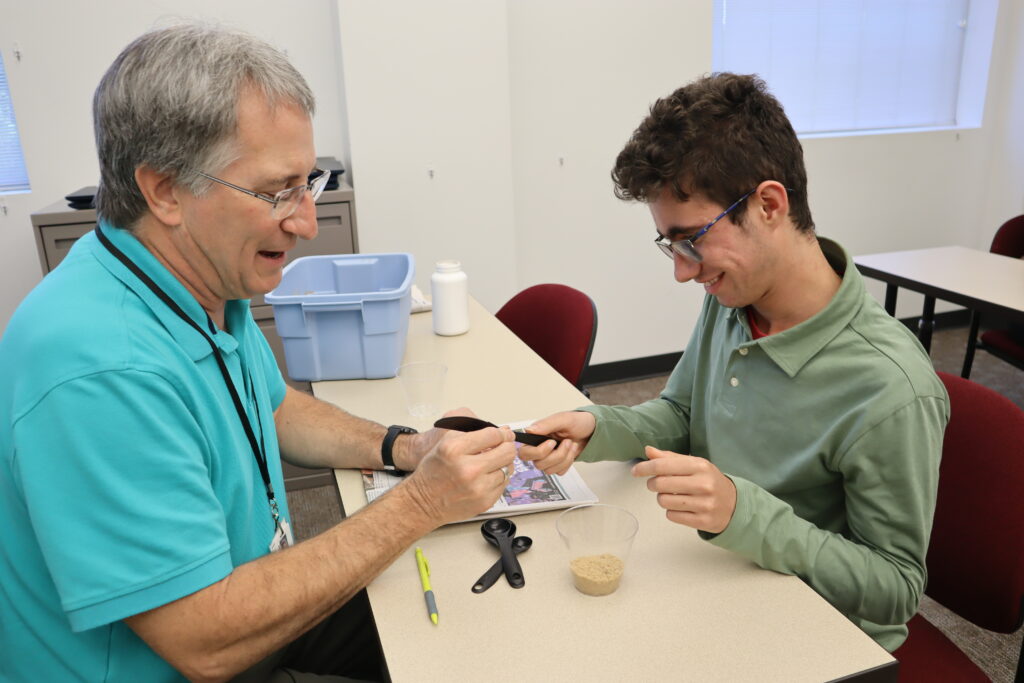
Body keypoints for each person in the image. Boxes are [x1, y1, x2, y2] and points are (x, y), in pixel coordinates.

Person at [0, 24, 546, 682]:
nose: (307, 222)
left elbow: (277, 407)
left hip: (246, 611)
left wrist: (405, 447)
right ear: (165, 190)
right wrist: (421, 503)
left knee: (474, 636)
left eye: (308, 183)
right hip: (203, 654)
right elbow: (203, 641)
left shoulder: (195, 282)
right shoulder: (97, 364)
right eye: (276, 190)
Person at [520, 73, 949, 652]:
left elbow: (895, 589)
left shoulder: (890, 386)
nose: (682, 270)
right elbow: (681, 414)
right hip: (722, 578)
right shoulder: (735, 299)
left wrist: (742, 513)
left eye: (690, 239)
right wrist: (599, 425)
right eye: (669, 246)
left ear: (769, 204)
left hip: (820, 633)